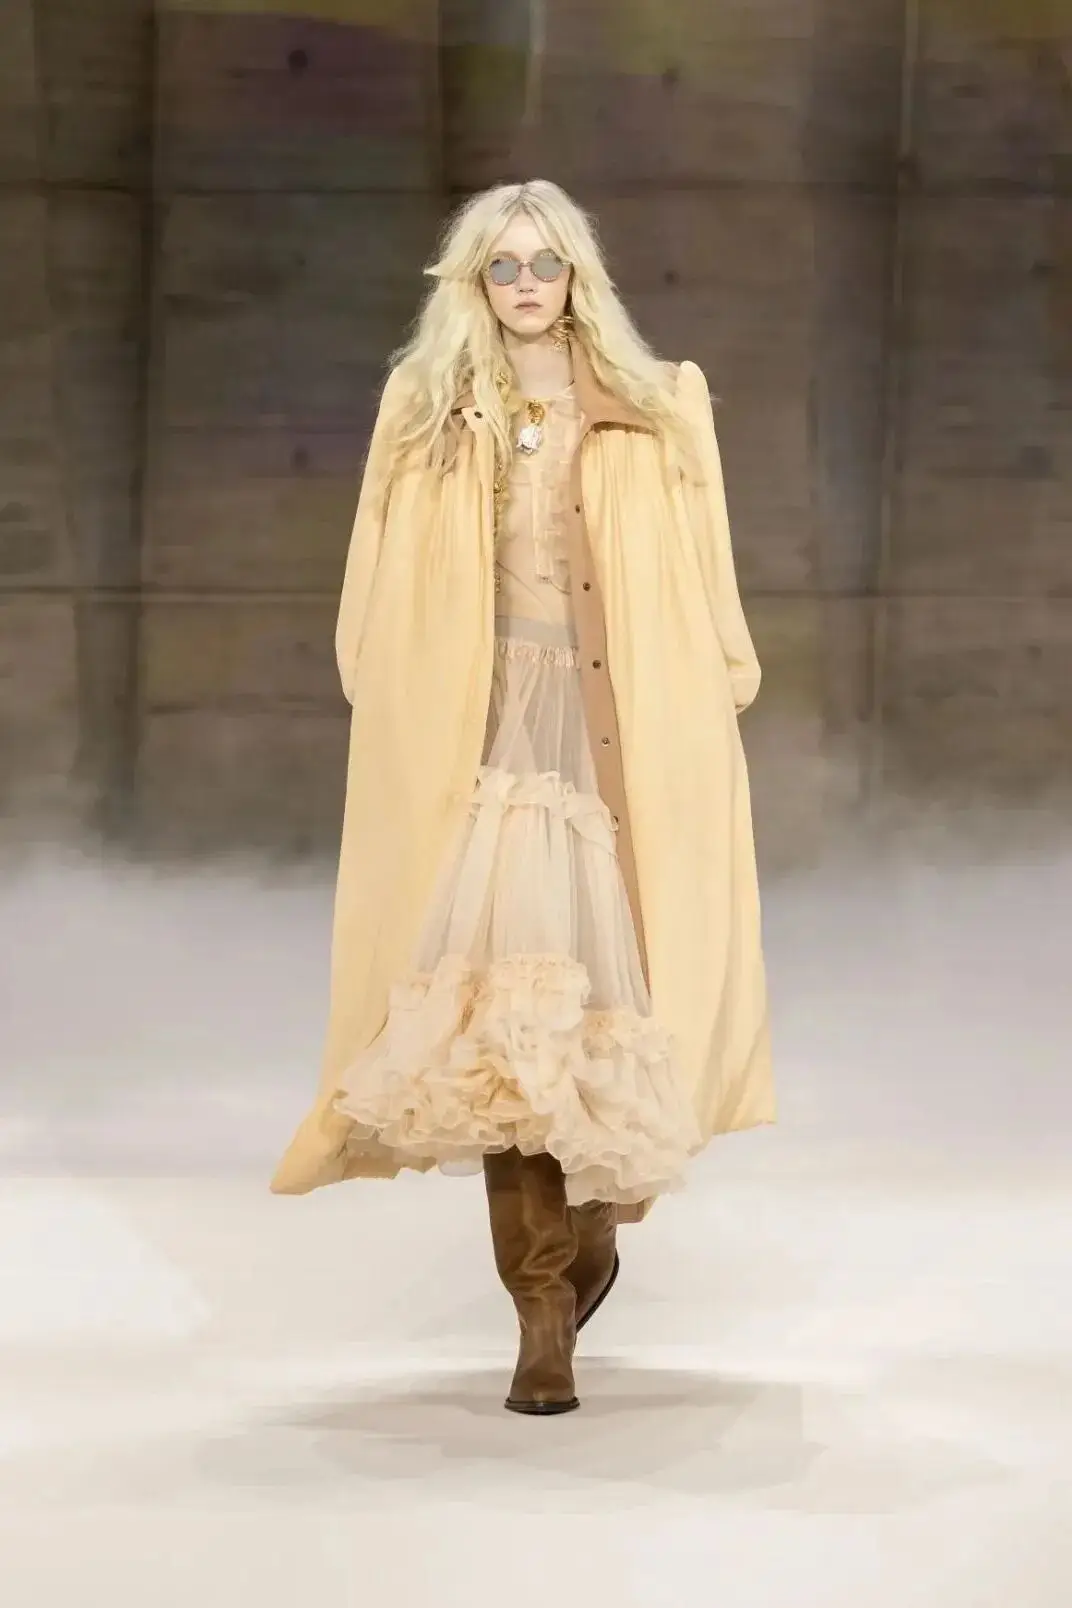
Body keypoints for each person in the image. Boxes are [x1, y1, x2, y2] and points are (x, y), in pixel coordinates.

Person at [271, 179, 774, 1415]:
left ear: (578, 275)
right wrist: (390, 703)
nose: (527, 284)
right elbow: (372, 578)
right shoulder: (426, 404)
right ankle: (539, 1307)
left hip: (620, 733)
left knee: (615, 1006)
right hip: (485, 739)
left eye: (546, 262)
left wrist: (719, 685)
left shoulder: (660, 403)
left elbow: (708, 583)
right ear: (474, 284)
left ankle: (592, 1231)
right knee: (498, 1020)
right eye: (503, 266)